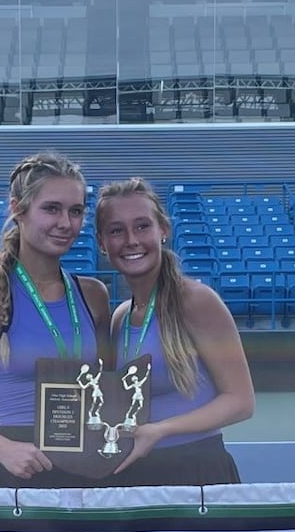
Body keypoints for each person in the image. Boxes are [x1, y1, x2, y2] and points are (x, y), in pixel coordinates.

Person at [0, 152, 113, 487]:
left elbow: (107, 388)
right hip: (19, 471)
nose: (66, 222)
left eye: (75, 211)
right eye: (52, 208)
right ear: (18, 209)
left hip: (91, 469)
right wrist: (3, 450)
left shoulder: (94, 296)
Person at [93, 177, 255, 486]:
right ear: (102, 242)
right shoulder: (120, 318)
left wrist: (162, 429)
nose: (131, 240)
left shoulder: (196, 300)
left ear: (163, 230)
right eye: (117, 230)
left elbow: (241, 401)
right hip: (135, 474)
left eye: (142, 226)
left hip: (197, 471)